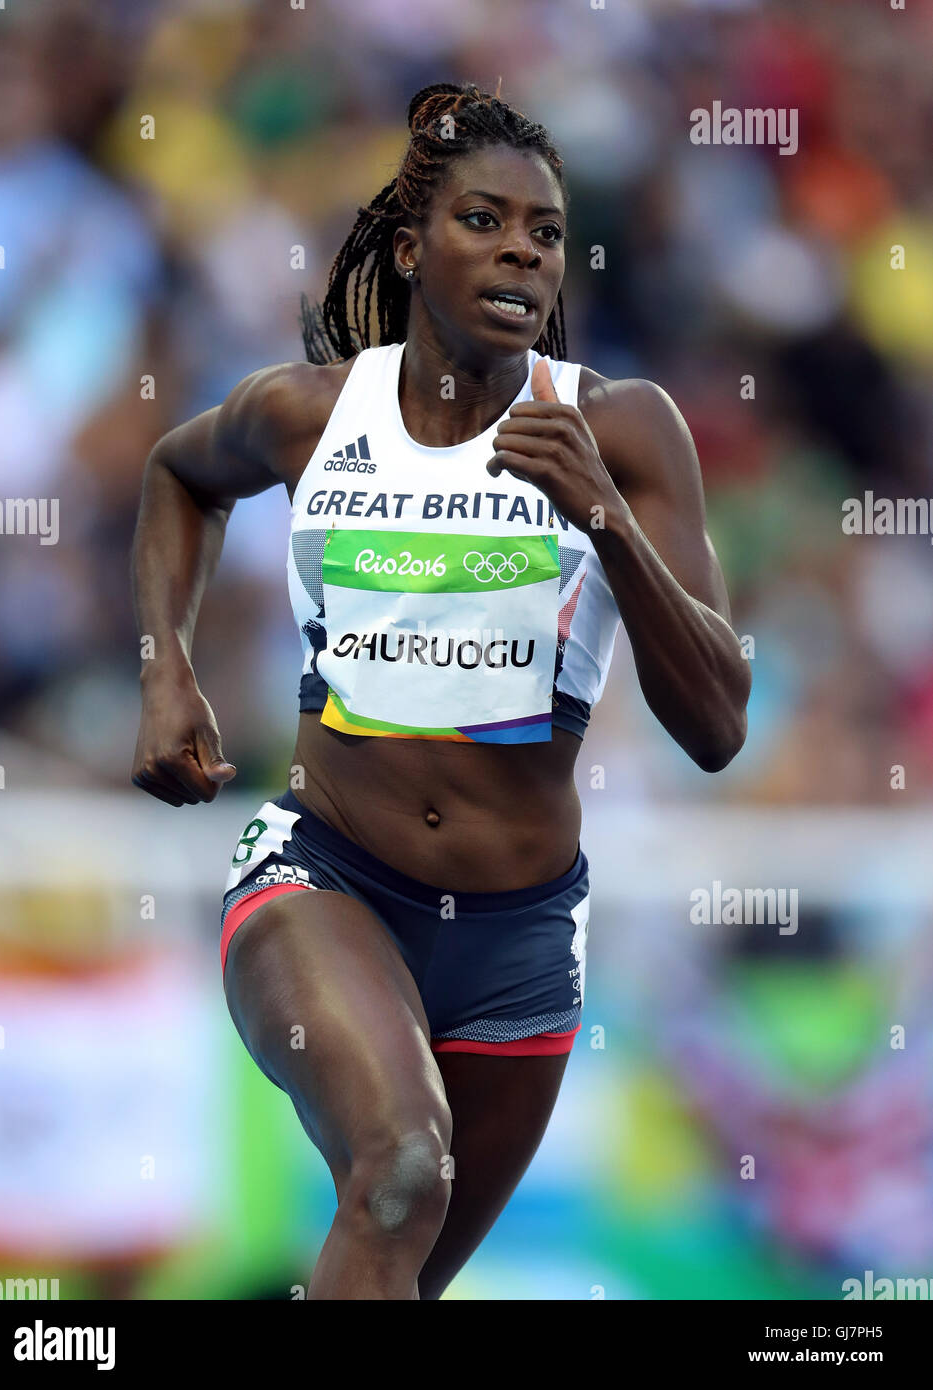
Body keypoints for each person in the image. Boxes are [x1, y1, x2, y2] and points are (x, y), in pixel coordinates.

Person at [130, 81, 751, 1300]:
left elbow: (719, 724)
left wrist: (605, 518)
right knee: (402, 1167)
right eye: (486, 218)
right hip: (326, 878)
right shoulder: (311, 414)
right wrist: (168, 669)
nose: (524, 245)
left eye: (547, 230)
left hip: (520, 940)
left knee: (395, 1268)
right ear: (413, 248)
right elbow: (176, 476)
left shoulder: (620, 431)